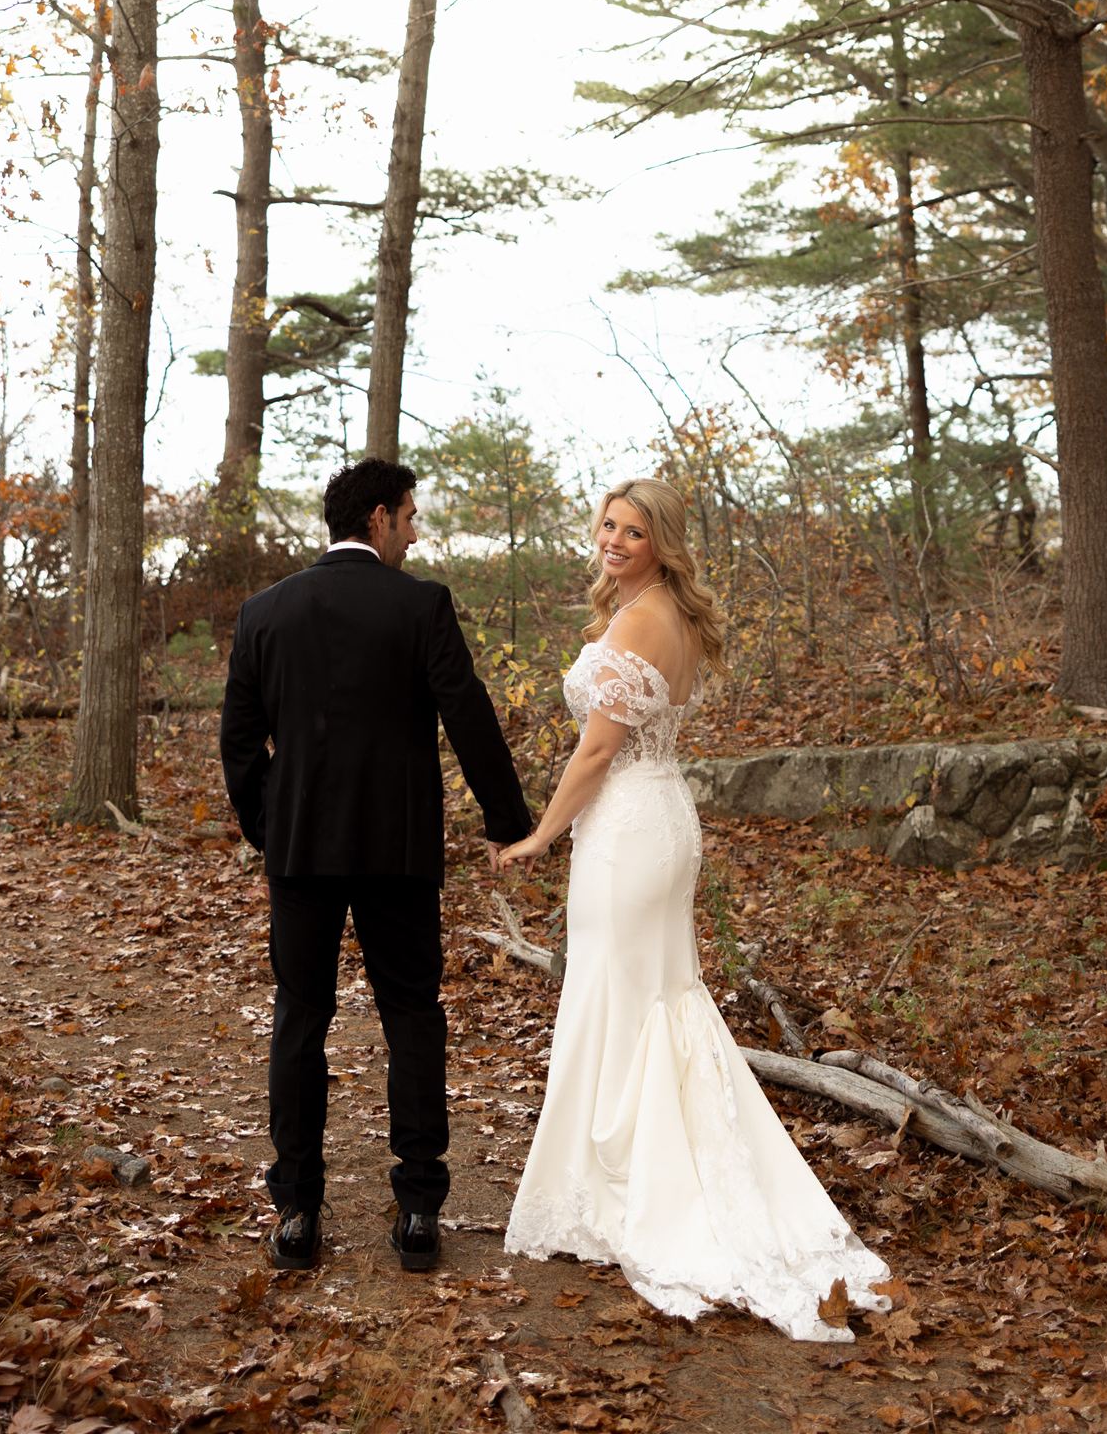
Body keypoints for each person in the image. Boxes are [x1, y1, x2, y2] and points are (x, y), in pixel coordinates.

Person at [498, 477, 890, 1339]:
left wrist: (538, 836)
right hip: (659, 812)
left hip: (629, 823)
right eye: (606, 524)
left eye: (632, 531)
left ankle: (627, 1188)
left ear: (660, 542)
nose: (612, 540)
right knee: (651, 996)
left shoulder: (640, 621)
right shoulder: (660, 611)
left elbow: (598, 748)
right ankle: (635, 1173)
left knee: (617, 994)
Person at [220, 455, 533, 1275]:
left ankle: (296, 1213)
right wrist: (507, 821)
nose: (416, 529)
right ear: (381, 518)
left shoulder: (264, 612)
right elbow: (467, 713)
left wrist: (270, 826)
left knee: (300, 1017)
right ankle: (421, 1208)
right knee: (411, 1016)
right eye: (411, 514)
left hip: (300, 852)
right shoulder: (420, 605)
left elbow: (239, 741)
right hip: (397, 851)